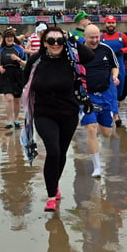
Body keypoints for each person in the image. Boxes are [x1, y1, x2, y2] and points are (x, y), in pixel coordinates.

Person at [23, 26, 94, 212]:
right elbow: (25, 82)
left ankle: (54, 184)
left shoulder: (72, 60)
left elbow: (89, 56)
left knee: (61, 153)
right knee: (53, 151)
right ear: (44, 43)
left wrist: (71, 38)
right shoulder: (36, 60)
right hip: (44, 113)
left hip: (68, 113)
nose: (56, 44)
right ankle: (51, 196)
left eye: (59, 41)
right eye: (51, 41)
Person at [81, 24, 119, 178]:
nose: (95, 40)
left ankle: (105, 120)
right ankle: (97, 167)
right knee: (91, 128)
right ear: (85, 37)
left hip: (105, 95)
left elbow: (114, 66)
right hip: (86, 96)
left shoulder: (106, 49)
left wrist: (115, 76)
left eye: (97, 37)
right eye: (91, 37)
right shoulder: (78, 52)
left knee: (106, 133)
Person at [101, 15, 127, 127]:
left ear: (116, 24)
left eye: (113, 23)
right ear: (105, 24)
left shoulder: (122, 36)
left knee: (119, 90)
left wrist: (122, 51)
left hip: (120, 67)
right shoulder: (101, 37)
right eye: (109, 23)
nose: (111, 25)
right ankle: (114, 114)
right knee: (110, 90)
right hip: (105, 68)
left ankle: (116, 105)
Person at [0, 28, 26, 129]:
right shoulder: (0, 49)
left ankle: (16, 119)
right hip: (5, 74)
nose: (9, 39)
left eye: (11, 37)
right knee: (9, 98)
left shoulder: (19, 49)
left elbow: (25, 64)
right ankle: (9, 121)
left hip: (17, 74)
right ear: (4, 38)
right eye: (8, 37)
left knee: (17, 100)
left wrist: (18, 59)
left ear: (14, 38)